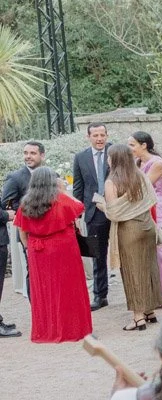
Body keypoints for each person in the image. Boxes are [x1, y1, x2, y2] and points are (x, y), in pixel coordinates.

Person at [12, 167, 92, 342]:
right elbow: (80, 207)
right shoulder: (61, 200)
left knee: (44, 291)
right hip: (64, 248)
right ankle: (72, 328)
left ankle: (47, 329)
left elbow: (22, 232)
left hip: (38, 250)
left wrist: (29, 249)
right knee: (70, 288)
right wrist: (63, 190)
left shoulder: (25, 204)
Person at [101, 144, 162, 331]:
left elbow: (114, 212)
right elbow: (150, 199)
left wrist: (102, 206)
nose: (107, 160)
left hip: (129, 230)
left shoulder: (111, 182)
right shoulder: (140, 176)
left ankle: (138, 317)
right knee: (149, 268)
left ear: (115, 159)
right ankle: (150, 311)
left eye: (109, 157)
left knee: (132, 272)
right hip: (147, 227)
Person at [0, 139, 43, 337]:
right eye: (26, 153)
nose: (28, 156)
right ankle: (38, 313)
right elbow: (7, 205)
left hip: (51, 234)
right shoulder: (15, 177)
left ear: (42, 155)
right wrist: (29, 211)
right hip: (29, 233)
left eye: (32, 153)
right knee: (32, 273)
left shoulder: (50, 174)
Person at [72, 122, 114, 310]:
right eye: (95, 135)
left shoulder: (116, 152)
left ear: (107, 135)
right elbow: (78, 187)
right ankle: (100, 295)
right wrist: (76, 214)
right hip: (94, 213)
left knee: (126, 253)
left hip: (117, 210)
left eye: (102, 135)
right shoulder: (80, 158)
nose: (99, 139)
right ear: (88, 137)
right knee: (98, 255)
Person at [129, 131, 162, 305]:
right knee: (149, 253)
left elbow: (142, 187)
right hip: (141, 211)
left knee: (161, 250)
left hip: (155, 209)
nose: (130, 148)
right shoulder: (137, 162)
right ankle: (158, 295)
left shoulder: (157, 163)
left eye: (132, 145)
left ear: (143, 145)